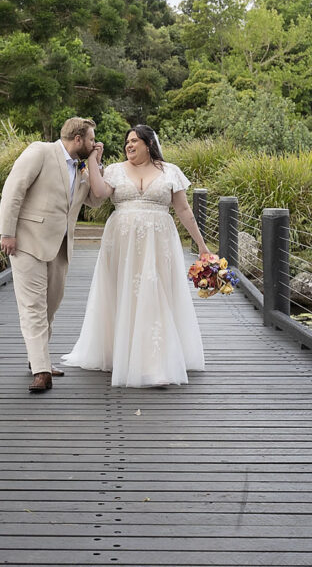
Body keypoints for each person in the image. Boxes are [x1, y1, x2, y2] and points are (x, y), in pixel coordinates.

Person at [62, 124, 208, 387]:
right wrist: (94, 161)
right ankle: (122, 352)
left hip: (159, 242)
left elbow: (184, 210)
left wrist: (202, 246)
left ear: (149, 143)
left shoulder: (170, 171)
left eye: (134, 141)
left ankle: (155, 363)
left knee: (157, 292)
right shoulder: (116, 170)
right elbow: (99, 193)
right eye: (127, 142)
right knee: (123, 293)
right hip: (121, 241)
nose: (129, 145)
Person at [0, 117, 105, 393]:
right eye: (92, 140)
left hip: (60, 246)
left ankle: (36, 358)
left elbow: (96, 199)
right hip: (27, 242)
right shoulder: (40, 152)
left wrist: (95, 162)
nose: (94, 144)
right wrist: (6, 232)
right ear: (78, 139)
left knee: (50, 306)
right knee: (33, 307)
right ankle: (42, 371)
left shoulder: (81, 169)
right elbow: (14, 189)